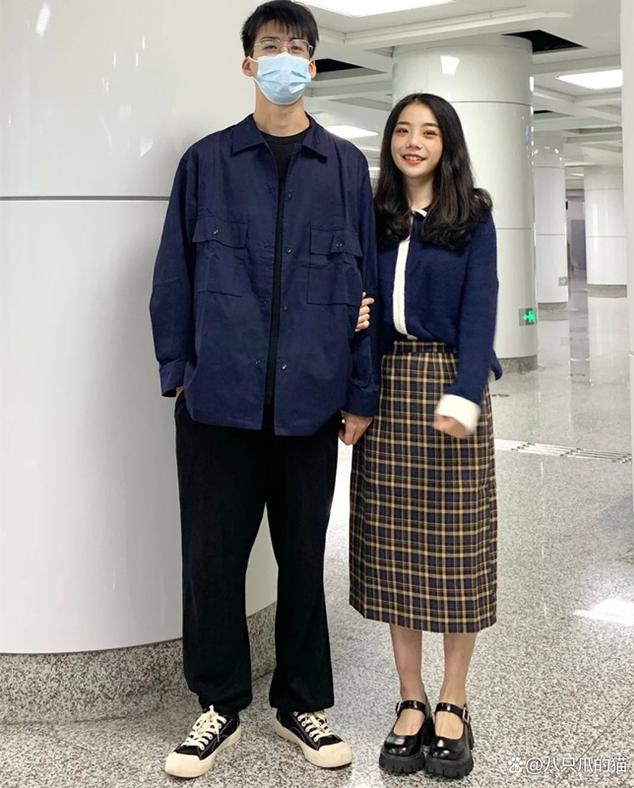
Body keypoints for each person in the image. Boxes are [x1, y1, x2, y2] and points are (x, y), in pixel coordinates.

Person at [149, 0, 378, 779]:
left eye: (300, 47)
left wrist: (360, 392)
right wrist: (178, 375)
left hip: (310, 408)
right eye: (273, 45)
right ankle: (218, 706)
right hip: (218, 406)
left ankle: (300, 704)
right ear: (249, 63)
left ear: (313, 65)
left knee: (304, 563)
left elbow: (363, 284)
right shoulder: (206, 163)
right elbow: (173, 276)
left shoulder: (343, 168)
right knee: (211, 562)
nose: (287, 57)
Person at [350, 93, 501, 780]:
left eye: (429, 132)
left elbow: (480, 309)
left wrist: (467, 392)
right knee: (396, 555)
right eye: (403, 130)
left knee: (457, 553)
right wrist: (359, 395)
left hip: (448, 382)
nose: (414, 141)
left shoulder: (473, 216)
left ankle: (453, 699)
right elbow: (363, 307)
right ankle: (410, 698)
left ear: (448, 144)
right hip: (389, 388)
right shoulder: (375, 215)